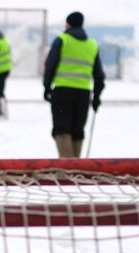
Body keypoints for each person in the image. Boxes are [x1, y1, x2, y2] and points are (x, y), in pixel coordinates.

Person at [43, 12, 106, 157]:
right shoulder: (92, 44)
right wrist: (96, 96)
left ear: (68, 24)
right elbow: (99, 75)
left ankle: (68, 167)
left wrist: (46, 86)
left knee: (62, 129)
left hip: (62, 91)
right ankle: (76, 165)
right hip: (83, 94)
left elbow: (50, 65)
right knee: (78, 130)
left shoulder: (62, 40)